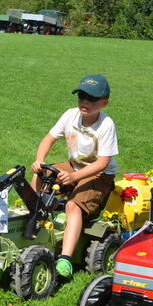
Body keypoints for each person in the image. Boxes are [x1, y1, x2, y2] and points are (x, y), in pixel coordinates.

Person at [31, 74, 119, 279]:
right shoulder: (70, 115)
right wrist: (39, 160)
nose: (85, 102)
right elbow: (48, 139)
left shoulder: (106, 125)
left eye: (92, 99)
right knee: (40, 174)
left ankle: (65, 260)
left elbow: (102, 162)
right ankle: (37, 214)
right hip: (74, 166)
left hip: (99, 174)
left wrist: (75, 177)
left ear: (104, 102)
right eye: (81, 96)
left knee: (73, 205)